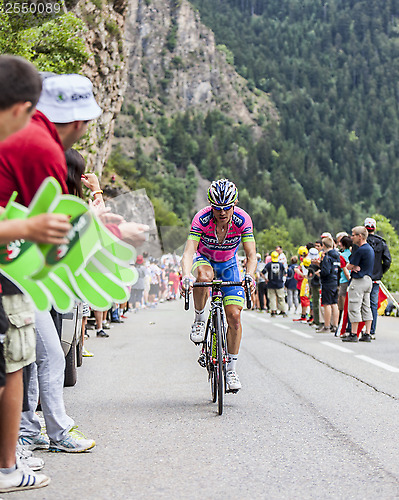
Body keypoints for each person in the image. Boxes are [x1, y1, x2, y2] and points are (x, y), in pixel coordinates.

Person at [0, 74, 102, 458]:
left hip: (19, 267)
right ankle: (29, 442)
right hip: (15, 270)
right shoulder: (43, 149)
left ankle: (30, 432)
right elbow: (52, 231)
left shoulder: (30, 137)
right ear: (79, 122)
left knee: (32, 356)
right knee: (30, 357)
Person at [0, 58, 75, 493]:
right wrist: (26, 228)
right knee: (14, 365)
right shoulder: (28, 144)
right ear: (20, 109)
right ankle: (10, 463)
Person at [180, 179, 256, 392]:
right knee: (204, 276)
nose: (222, 212)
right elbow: (188, 252)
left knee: (234, 316)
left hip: (229, 264)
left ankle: (231, 369)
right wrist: (186, 275)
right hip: (205, 259)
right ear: (210, 204)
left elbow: (251, 254)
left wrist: (249, 275)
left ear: (235, 203)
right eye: (217, 208)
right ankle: (199, 319)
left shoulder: (242, 219)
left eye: (226, 207)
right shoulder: (202, 219)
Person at [342, 226, 375, 342]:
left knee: (354, 306)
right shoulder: (370, 249)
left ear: (360, 236)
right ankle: (367, 333)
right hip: (368, 280)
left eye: (354, 234)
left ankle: (353, 333)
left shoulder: (360, 250)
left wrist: (352, 267)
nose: (352, 237)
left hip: (359, 281)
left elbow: (349, 266)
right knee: (367, 307)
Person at [364, 217, 391, 339]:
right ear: (374, 228)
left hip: (363, 277)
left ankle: (358, 328)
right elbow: (387, 260)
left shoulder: (361, 241)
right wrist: (381, 271)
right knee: (373, 305)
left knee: (361, 304)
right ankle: (371, 330)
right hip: (376, 278)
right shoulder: (382, 243)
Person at [316, 236, 340, 333]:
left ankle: (326, 326)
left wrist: (319, 273)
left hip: (328, 282)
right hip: (335, 281)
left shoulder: (327, 257)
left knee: (327, 304)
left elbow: (326, 271)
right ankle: (335, 325)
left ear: (324, 245)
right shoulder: (337, 256)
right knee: (334, 304)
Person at [262, 251, 287, 317]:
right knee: (281, 298)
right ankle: (283, 311)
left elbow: (262, 273)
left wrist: (265, 279)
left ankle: (273, 311)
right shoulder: (281, 265)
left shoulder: (269, 264)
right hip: (279, 284)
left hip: (271, 284)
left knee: (272, 298)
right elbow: (285, 273)